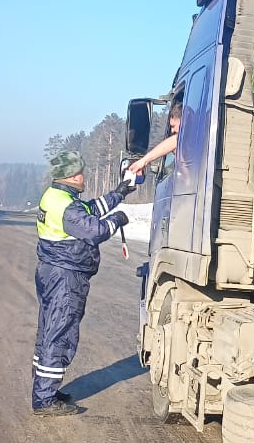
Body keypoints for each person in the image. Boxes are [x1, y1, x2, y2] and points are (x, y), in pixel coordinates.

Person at [31, 149, 132, 417]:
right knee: (60, 333)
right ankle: (44, 400)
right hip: (65, 277)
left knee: (48, 331)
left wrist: (121, 192)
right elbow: (95, 230)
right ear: (73, 176)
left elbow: (91, 209)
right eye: (82, 172)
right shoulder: (66, 206)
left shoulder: (59, 197)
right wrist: (117, 219)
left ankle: (46, 389)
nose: (85, 176)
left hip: (53, 272)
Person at [127, 99, 182, 178]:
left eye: (173, 126)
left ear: (185, 121)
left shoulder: (191, 139)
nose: (172, 130)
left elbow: (176, 140)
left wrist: (143, 161)